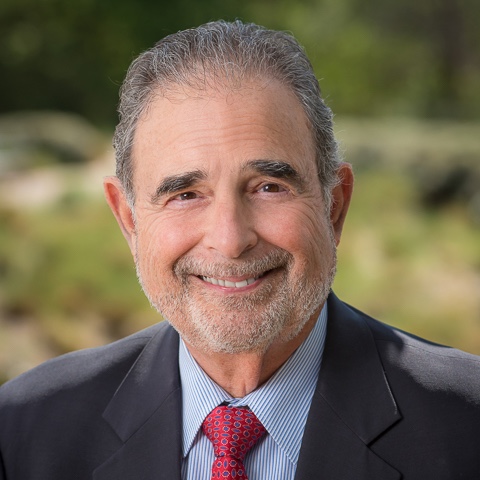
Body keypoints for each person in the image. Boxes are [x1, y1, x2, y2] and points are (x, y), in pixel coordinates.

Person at [0, 20, 479, 480]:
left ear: (334, 207)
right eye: (186, 195)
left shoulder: (466, 427)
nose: (230, 240)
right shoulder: (23, 430)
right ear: (129, 220)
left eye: (269, 187)